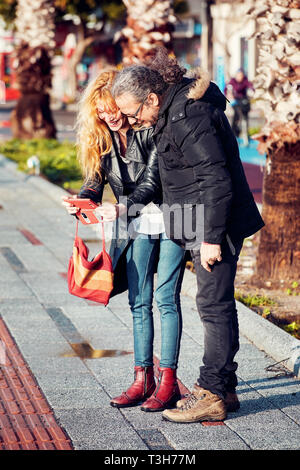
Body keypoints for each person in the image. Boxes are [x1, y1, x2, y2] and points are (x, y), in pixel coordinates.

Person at [111, 48, 265, 423]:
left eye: (133, 113)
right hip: (200, 221)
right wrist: (125, 207)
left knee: (213, 308)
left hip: (215, 225)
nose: (133, 121)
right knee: (218, 306)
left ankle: (211, 392)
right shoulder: (169, 113)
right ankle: (224, 389)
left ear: (151, 98)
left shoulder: (186, 115)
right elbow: (167, 174)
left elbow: (215, 178)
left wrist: (210, 237)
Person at [62, 69, 186, 412]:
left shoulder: (150, 129)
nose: (109, 115)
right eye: (101, 111)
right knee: (138, 301)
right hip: (134, 224)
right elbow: (94, 180)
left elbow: (151, 181)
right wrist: (83, 201)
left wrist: (120, 208)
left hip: (172, 217)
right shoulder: (103, 138)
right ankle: (142, 378)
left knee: (165, 299)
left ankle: (169, 382)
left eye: (112, 108)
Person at [225, 69, 254, 146]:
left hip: (243, 100)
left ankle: (246, 134)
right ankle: (234, 133)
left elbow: (250, 86)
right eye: (238, 75)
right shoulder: (232, 81)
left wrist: (252, 90)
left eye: (241, 75)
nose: (240, 77)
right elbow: (227, 89)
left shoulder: (245, 81)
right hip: (235, 100)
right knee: (237, 114)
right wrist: (229, 95)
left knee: (245, 116)